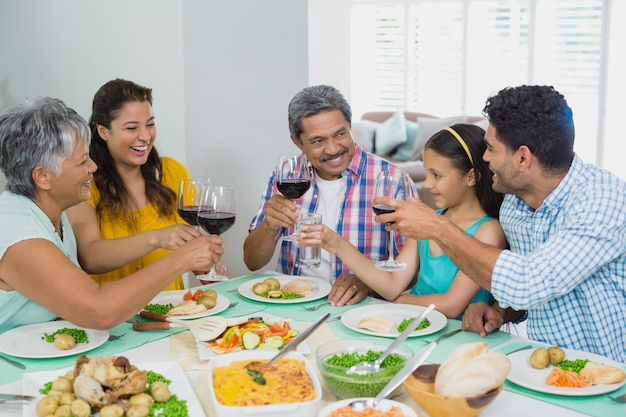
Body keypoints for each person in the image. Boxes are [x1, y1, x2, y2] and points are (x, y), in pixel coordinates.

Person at [375, 85, 626, 362]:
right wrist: (499, 310)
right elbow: (527, 297)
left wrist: (435, 226)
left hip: (609, 372)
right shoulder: (514, 204)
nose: (485, 158)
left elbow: (529, 281)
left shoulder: (603, 200)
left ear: (522, 158)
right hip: (546, 363)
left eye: (491, 149)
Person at [0, 97, 222, 332]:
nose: (93, 168)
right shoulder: (17, 231)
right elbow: (99, 311)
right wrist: (182, 259)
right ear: (43, 176)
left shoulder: (51, 210)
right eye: (83, 161)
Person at [304, 124, 507, 318]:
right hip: (412, 324)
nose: (427, 184)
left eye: (437, 175)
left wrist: (396, 302)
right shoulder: (428, 220)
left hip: (457, 336)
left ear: (471, 177)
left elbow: (451, 305)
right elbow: (391, 285)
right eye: (427, 173)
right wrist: (338, 245)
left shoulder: (488, 230)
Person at [243, 85, 416, 306]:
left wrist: (368, 282)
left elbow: (414, 270)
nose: (333, 149)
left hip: (359, 311)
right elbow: (252, 261)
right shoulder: (286, 175)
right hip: (292, 307)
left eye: (340, 134)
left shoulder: (392, 179)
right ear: (297, 142)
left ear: (350, 127)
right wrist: (269, 226)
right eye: (318, 141)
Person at [67, 79, 226, 291]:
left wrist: (207, 270)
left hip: (172, 314)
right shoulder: (86, 182)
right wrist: (157, 238)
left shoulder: (172, 172)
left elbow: (187, 245)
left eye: (150, 124)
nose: (145, 136)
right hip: (115, 317)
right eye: (131, 127)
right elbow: (89, 256)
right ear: (103, 131)